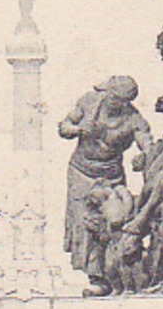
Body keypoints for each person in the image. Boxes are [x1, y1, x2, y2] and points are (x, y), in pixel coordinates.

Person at [59, 76, 153, 294]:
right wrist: (79, 129)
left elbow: (146, 142)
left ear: (126, 102)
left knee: (112, 226)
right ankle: (97, 280)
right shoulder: (90, 101)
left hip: (111, 175)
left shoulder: (134, 120)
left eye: (119, 100)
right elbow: (64, 127)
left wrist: (145, 156)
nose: (112, 102)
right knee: (85, 226)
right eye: (111, 96)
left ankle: (117, 278)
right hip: (81, 172)